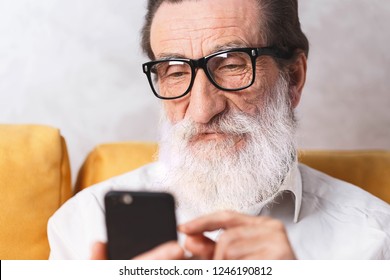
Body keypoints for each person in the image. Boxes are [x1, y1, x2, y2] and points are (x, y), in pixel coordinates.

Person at [48, 0, 390, 260]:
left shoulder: (374, 237)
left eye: (231, 65)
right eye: (176, 71)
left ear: (293, 78)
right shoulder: (84, 225)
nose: (201, 111)